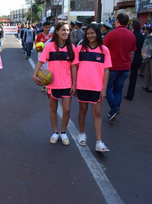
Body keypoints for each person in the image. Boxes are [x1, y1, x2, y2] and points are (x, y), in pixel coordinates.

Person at [32, 21, 78, 145]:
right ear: (56, 31)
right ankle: (55, 132)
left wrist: (74, 84)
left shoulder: (72, 48)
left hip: (67, 84)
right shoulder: (50, 46)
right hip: (53, 84)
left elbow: (74, 67)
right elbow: (40, 61)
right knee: (53, 108)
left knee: (67, 110)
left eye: (67, 30)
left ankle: (63, 133)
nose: (65, 32)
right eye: (63, 30)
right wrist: (34, 75)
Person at [76, 24, 111, 152]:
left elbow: (106, 71)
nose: (90, 35)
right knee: (83, 110)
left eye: (92, 33)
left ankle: (99, 142)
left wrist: (104, 88)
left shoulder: (104, 50)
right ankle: (81, 134)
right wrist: (74, 85)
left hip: (97, 87)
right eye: (88, 33)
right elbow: (74, 67)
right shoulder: (80, 49)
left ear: (97, 34)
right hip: (82, 85)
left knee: (97, 113)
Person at [103, 13, 136, 120]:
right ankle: (114, 110)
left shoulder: (111, 34)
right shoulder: (131, 35)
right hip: (125, 67)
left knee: (107, 87)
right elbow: (132, 53)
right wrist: (129, 66)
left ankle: (114, 108)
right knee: (118, 89)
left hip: (112, 67)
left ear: (117, 21)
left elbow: (103, 50)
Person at [124, 20, 145, 100]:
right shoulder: (142, 36)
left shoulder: (131, 36)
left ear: (132, 26)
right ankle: (130, 94)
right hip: (138, 57)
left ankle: (125, 92)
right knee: (134, 77)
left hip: (131, 57)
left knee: (125, 74)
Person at [36, 22, 53, 92]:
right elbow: (36, 47)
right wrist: (39, 48)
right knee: (42, 70)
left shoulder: (52, 36)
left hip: (50, 55)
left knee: (49, 69)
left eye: (49, 27)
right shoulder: (39, 36)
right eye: (46, 27)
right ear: (43, 28)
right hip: (41, 54)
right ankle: (43, 84)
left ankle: (48, 85)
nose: (48, 29)